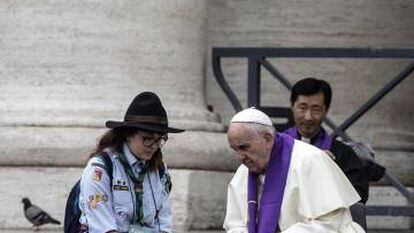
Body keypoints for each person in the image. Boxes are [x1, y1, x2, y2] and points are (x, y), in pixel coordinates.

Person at [223, 107, 365, 233]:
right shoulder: (244, 172)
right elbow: (236, 224)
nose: (240, 157)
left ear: (267, 138)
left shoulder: (309, 159)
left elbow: (329, 223)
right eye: (235, 150)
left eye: (244, 147)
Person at [79, 92, 184, 233]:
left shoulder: (159, 170)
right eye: (147, 138)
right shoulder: (100, 169)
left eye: (159, 139)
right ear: (128, 134)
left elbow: (164, 223)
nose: (154, 146)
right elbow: (103, 228)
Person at [283, 78, 369, 203]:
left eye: (316, 109)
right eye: (302, 108)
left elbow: (358, 198)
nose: (308, 117)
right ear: (292, 105)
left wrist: (329, 173)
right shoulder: (275, 148)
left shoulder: (343, 153)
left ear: (326, 110)